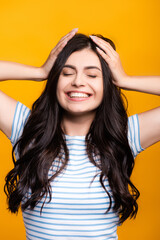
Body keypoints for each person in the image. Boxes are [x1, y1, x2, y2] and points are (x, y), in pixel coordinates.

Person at [0, 28, 159, 240]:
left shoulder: (126, 135)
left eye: (92, 75)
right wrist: (40, 72)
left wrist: (125, 79)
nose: (78, 82)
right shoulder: (26, 130)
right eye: (66, 72)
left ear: (107, 84)